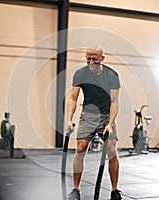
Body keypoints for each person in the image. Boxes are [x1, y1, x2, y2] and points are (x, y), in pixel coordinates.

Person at [66, 46, 122, 200]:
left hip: (106, 116)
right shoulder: (80, 74)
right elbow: (73, 98)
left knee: (111, 150)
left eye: (94, 59)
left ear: (102, 59)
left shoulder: (112, 75)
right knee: (80, 148)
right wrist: (69, 120)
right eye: (88, 59)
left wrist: (110, 124)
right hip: (88, 116)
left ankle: (114, 190)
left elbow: (114, 102)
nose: (91, 62)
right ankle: (76, 189)